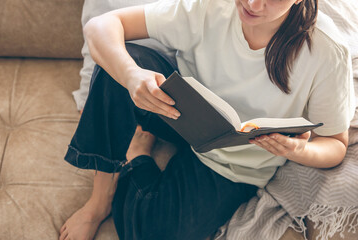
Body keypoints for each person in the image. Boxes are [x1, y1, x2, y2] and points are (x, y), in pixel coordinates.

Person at [59, 0, 355, 239]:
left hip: (236, 164)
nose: (253, 3)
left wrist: (298, 151)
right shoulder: (210, 6)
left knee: (151, 233)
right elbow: (103, 25)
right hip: (182, 116)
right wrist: (130, 74)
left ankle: (138, 153)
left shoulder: (327, 52)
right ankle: (99, 203)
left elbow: (335, 144)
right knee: (119, 66)